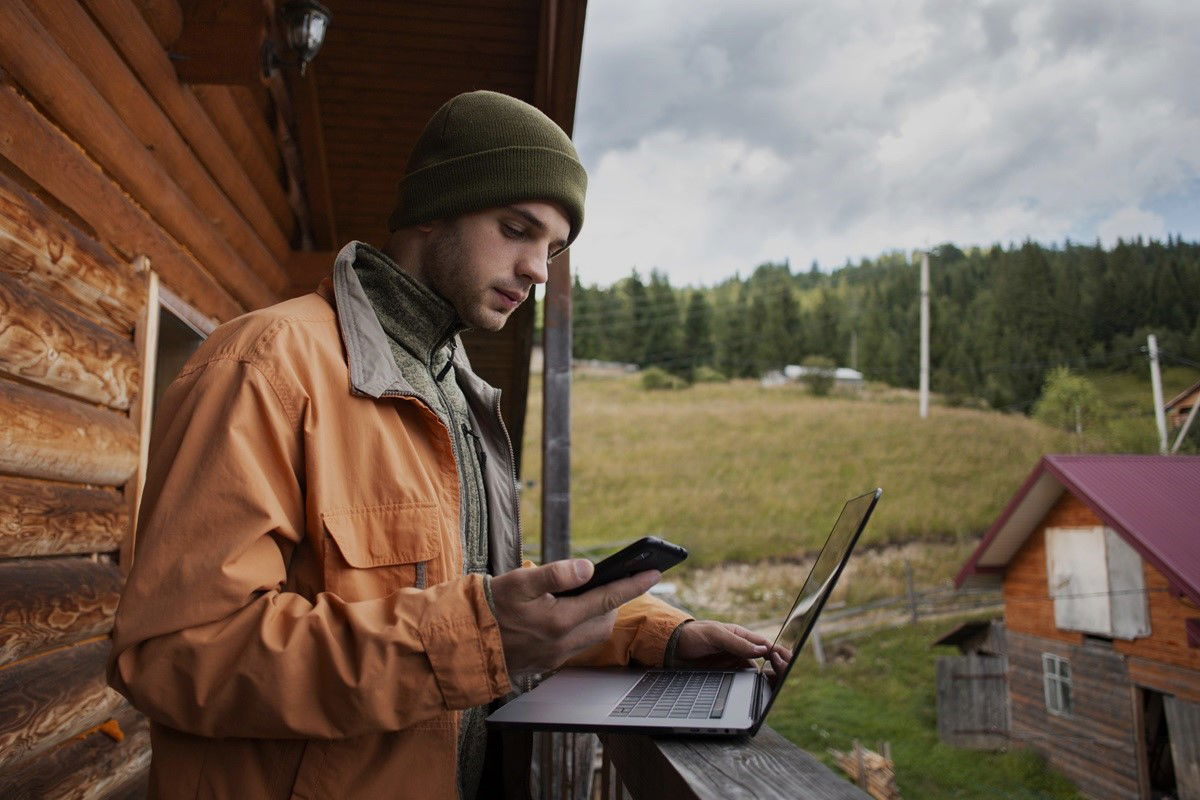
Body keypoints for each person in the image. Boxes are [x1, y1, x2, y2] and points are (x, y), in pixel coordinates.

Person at [108, 91, 771, 800]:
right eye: (517, 229)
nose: (539, 270)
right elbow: (177, 652)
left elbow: (468, 584)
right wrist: (473, 638)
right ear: (434, 205)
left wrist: (653, 636)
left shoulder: (462, 394)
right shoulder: (265, 362)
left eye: (551, 249)